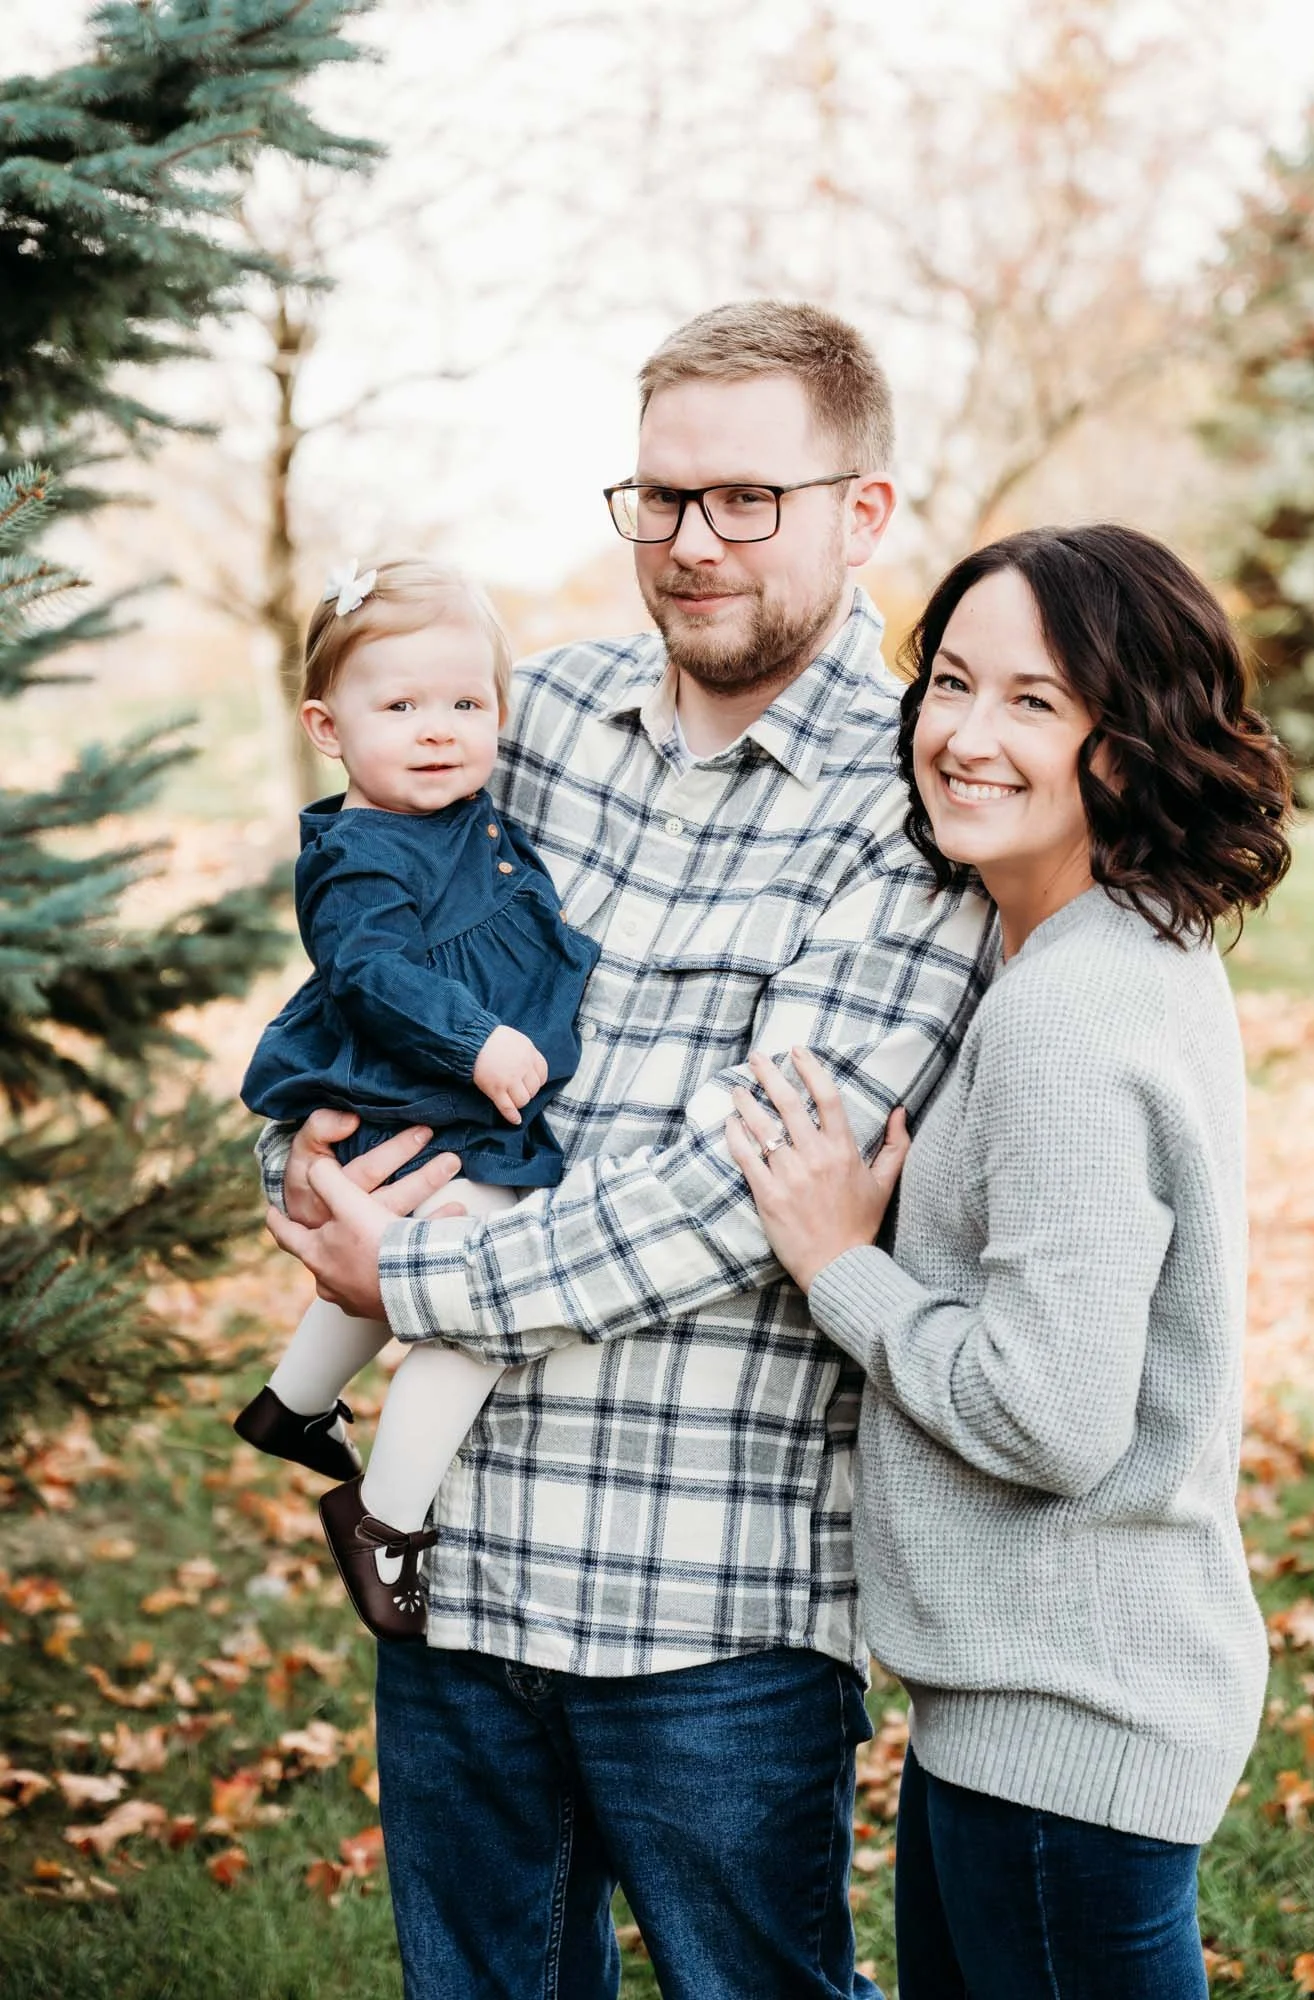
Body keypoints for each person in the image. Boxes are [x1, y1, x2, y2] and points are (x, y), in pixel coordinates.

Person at [261, 302, 995, 2000]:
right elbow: (367, 973)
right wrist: (311, 1174)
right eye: (659, 497)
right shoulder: (534, 718)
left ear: (861, 512)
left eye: (745, 499)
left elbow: (741, 1197)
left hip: (702, 1591)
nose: (690, 541)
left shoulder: (918, 796)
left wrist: (407, 1272)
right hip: (450, 1564)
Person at [725, 523, 1293, 1999]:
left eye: (1032, 701)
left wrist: (839, 1263)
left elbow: (1049, 1415)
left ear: (1130, 737)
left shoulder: (1066, 1012)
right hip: (1045, 1708)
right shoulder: (1118, 944)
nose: (964, 737)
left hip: (1068, 1728)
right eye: (950, 683)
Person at [234, 558, 598, 1640]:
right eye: (398, 707)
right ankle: (383, 1519)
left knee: (393, 1262)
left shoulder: (455, 811)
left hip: (433, 1099)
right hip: (409, 1091)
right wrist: (475, 1039)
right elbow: (368, 971)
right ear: (327, 726)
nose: (437, 730)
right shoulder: (360, 854)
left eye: (466, 705)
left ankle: (294, 1404)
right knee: (475, 1294)